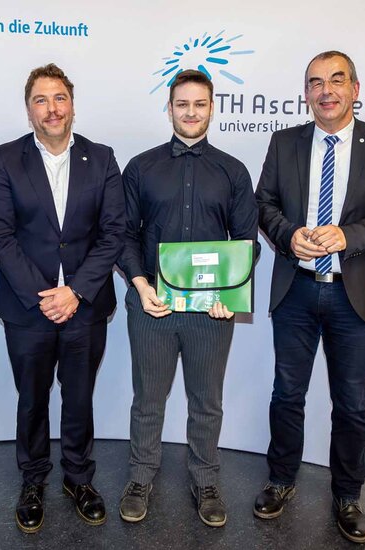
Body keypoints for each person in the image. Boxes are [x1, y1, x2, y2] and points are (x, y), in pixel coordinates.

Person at [252, 51, 365, 543]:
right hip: (296, 290)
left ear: (355, 89)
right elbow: (264, 204)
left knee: (351, 402)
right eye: (315, 83)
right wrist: (288, 236)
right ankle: (280, 480)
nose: (326, 91)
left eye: (336, 80)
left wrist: (348, 236)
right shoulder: (284, 142)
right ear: (306, 93)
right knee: (287, 394)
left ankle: (347, 495)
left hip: (354, 294)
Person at [0, 63, 124, 533]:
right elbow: (0, 235)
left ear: (72, 105)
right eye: (40, 100)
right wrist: (45, 296)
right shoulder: (5, 159)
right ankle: (33, 480)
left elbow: (113, 232)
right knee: (32, 399)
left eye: (59, 98)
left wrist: (75, 291)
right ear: (29, 111)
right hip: (29, 308)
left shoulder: (101, 159)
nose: (51, 108)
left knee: (79, 398)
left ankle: (79, 479)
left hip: (85, 305)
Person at [117, 69, 259, 528]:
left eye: (200, 104)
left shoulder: (234, 171)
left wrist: (230, 294)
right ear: (170, 108)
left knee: (206, 402)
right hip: (152, 307)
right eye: (182, 104)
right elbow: (124, 235)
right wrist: (140, 285)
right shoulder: (140, 167)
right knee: (148, 399)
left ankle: (206, 480)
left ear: (212, 108)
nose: (191, 112)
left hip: (210, 313)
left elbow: (247, 241)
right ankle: (140, 477)